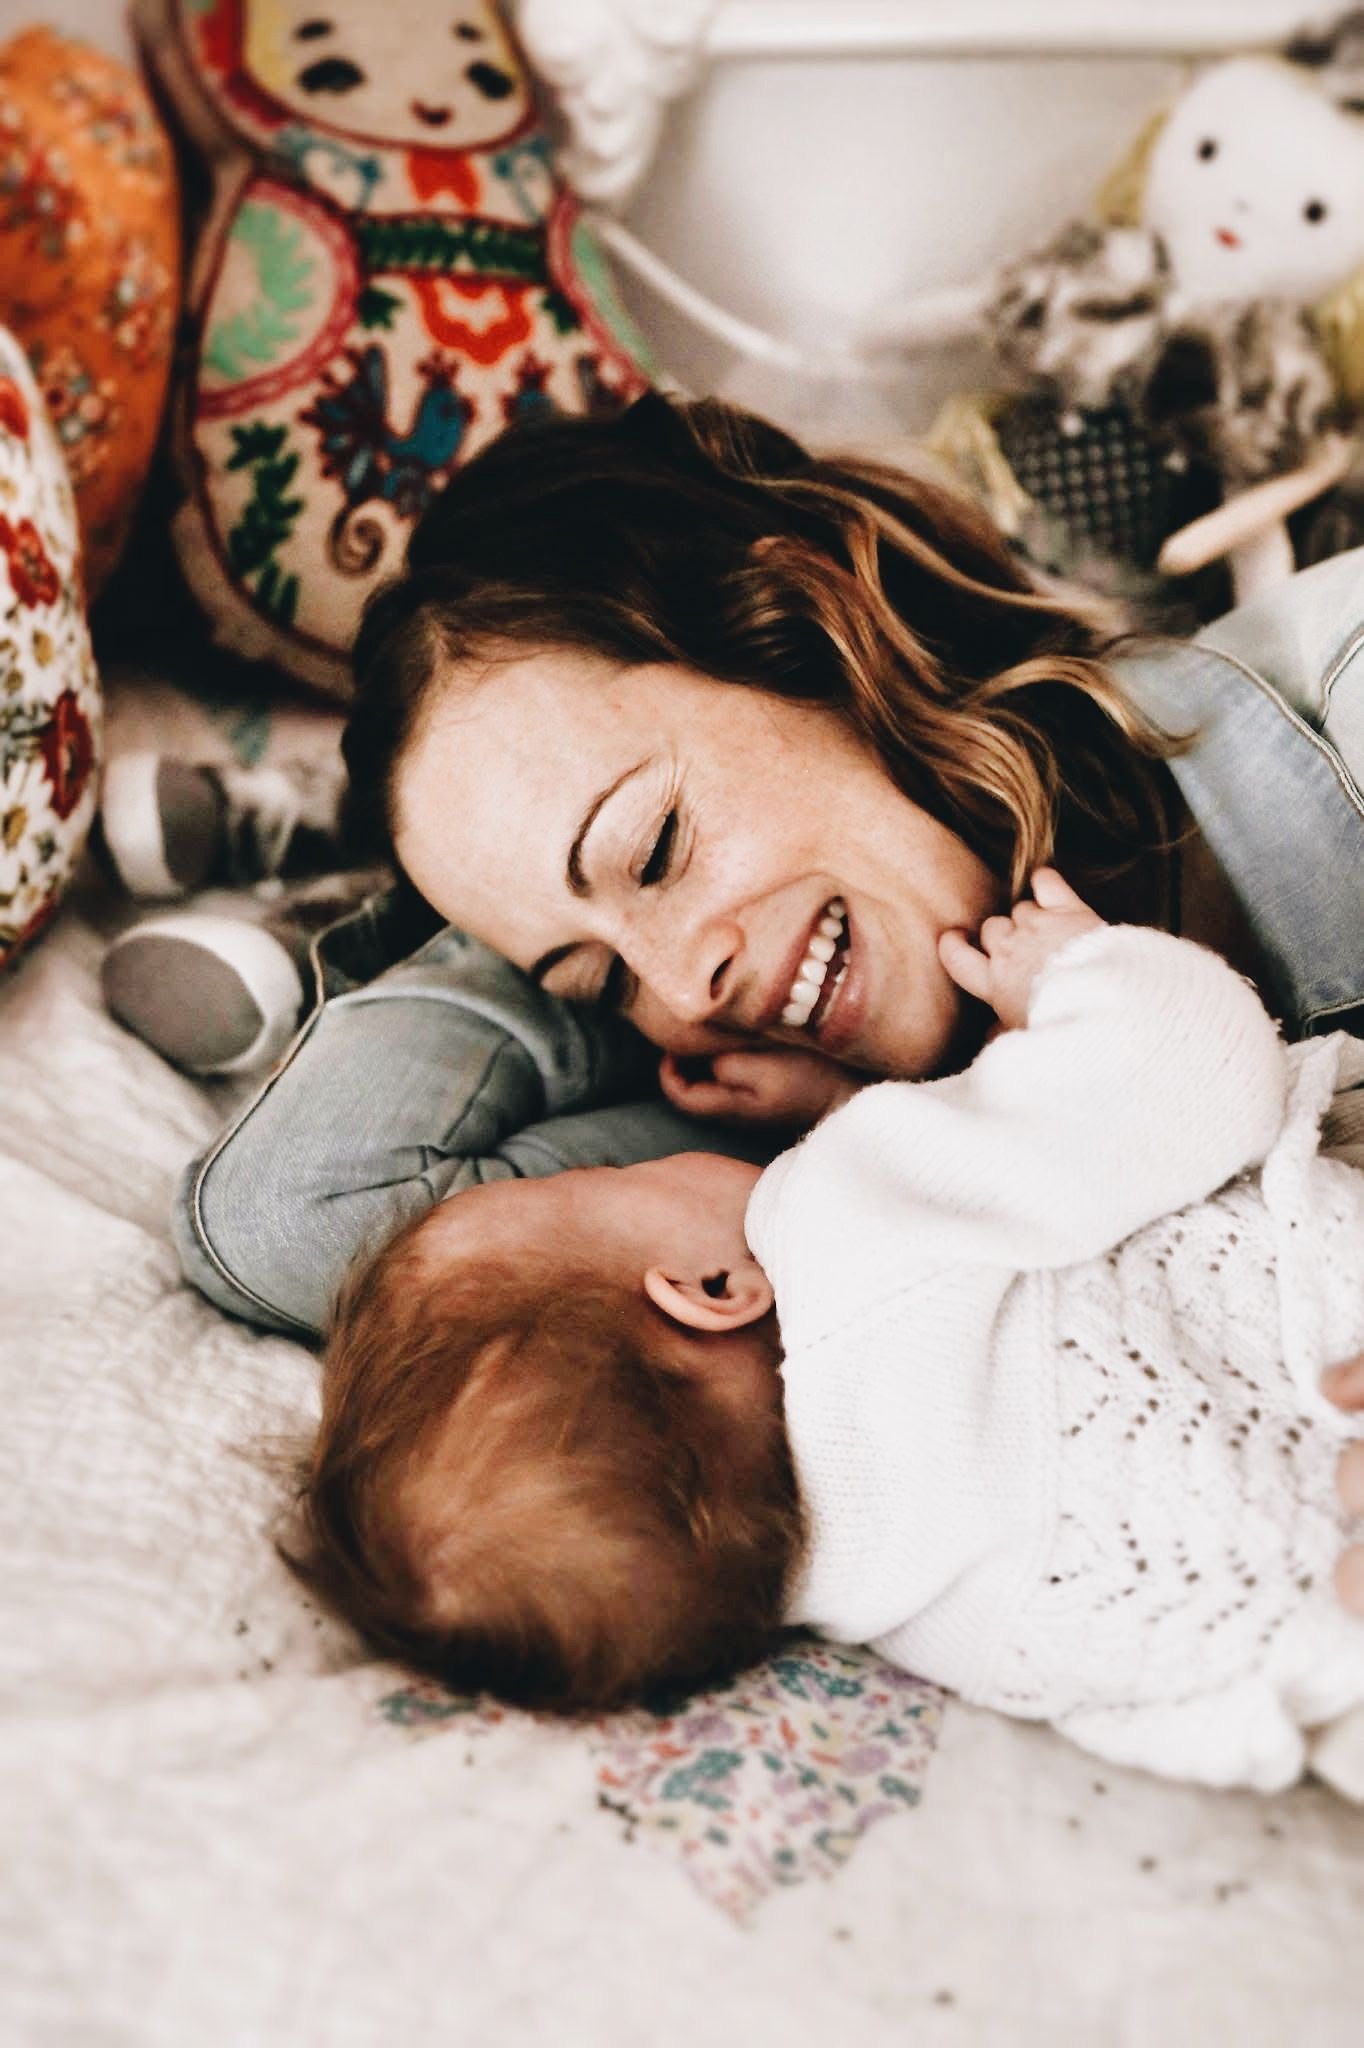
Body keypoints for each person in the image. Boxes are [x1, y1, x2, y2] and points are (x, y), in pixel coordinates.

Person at [166, 392, 1364, 1426]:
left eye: (654, 850)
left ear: (809, 630)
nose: (682, 991)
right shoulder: (809, 1123)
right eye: (599, 983)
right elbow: (289, 1218)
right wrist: (508, 901)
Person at [288, 868, 1364, 1796]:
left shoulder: (927, 1624)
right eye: (605, 1176)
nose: (627, 1157)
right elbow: (1191, 1074)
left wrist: (849, 1101)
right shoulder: (842, 1217)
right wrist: (1076, 975)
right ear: (711, 1289)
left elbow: (976, 1263)